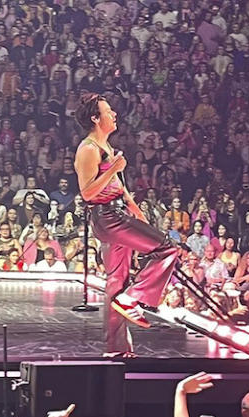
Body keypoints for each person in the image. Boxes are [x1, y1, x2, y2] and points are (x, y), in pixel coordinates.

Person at [73, 94, 178, 357]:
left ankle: (117, 349)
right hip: (108, 217)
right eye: (108, 112)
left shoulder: (106, 148)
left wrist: (138, 215)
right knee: (167, 249)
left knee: (116, 282)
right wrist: (112, 169)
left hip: (118, 213)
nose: (114, 115)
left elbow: (120, 190)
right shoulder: (88, 149)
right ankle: (133, 298)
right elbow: (87, 193)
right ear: (95, 118)